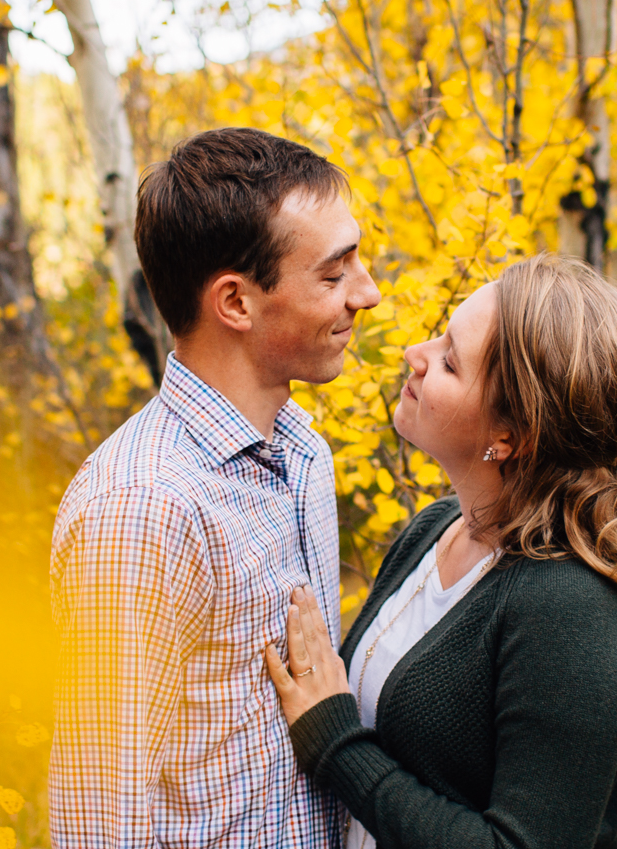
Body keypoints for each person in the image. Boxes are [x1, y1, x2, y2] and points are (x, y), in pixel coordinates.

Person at [264, 255, 617, 849]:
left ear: (509, 437)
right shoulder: (436, 529)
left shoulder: (578, 612)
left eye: (449, 361)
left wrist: (337, 746)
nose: (417, 352)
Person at [50, 128, 380, 849]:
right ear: (235, 301)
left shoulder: (305, 456)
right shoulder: (141, 510)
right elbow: (99, 820)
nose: (368, 294)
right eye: (332, 275)